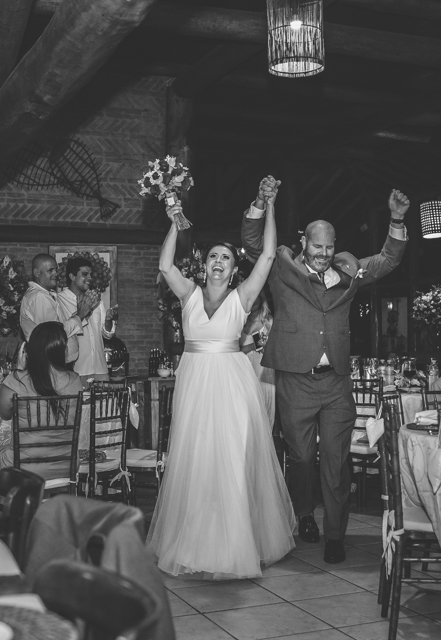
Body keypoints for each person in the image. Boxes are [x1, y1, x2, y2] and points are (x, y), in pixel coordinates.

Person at [242, 177, 409, 564]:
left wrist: (396, 220)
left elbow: (387, 260)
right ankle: (304, 514)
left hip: (335, 382)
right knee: (300, 458)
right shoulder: (282, 264)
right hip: (295, 379)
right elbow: (253, 243)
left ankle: (336, 534)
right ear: (304, 243)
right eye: (317, 246)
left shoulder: (348, 270)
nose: (323, 253)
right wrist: (261, 202)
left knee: (336, 462)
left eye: (329, 246)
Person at [147, 178, 295, 579]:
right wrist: (175, 223)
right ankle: (195, 544)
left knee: (230, 461)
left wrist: (271, 206)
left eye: (225, 258)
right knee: (195, 461)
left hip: (232, 384)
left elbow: (266, 255)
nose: (217, 261)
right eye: (213, 256)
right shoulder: (188, 294)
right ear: (205, 264)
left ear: (232, 271)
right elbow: (164, 266)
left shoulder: (243, 297)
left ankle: (235, 547)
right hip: (195, 382)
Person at [0, 321, 83, 476]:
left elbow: (4, 413)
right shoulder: (75, 380)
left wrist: (19, 370)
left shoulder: (18, 380)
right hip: (66, 465)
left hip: (22, 467)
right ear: (62, 349)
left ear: (31, 350)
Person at [19, 254, 97, 366]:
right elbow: (54, 334)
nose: (56, 274)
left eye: (56, 270)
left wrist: (84, 312)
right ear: (37, 273)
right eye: (50, 270)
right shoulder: (39, 297)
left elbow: (60, 325)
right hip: (50, 365)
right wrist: (79, 315)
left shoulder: (45, 295)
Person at [57, 257, 118, 383]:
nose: (89, 278)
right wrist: (82, 313)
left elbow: (107, 335)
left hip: (100, 368)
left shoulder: (95, 300)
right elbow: (61, 332)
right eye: (85, 274)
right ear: (72, 277)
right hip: (76, 370)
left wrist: (107, 320)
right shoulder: (60, 301)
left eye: (90, 274)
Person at [240, 288, 276, 428]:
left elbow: (274, 348)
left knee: (264, 413)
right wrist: (252, 347)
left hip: (263, 370)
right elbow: (231, 349)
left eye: (256, 297)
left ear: (261, 299)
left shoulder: (269, 322)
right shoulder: (239, 321)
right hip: (242, 370)